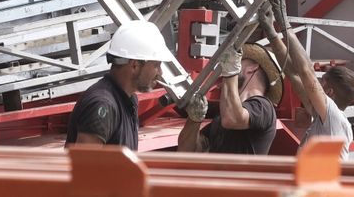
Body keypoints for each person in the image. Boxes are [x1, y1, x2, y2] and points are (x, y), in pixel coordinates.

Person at [258, 0, 354, 151]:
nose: (318, 82)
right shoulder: (322, 116)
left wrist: (283, 21)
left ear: (330, 92)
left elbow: (306, 71)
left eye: (322, 81)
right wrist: (272, 33)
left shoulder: (334, 117)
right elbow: (294, 75)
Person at [66, 19, 175, 149]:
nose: (160, 72)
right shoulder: (103, 105)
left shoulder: (129, 99)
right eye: (156, 65)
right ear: (134, 65)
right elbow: (82, 166)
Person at [177, 44, 280, 154]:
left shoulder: (264, 107)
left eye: (239, 61)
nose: (224, 67)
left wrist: (231, 72)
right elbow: (186, 152)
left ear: (252, 68)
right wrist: (194, 119)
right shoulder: (221, 119)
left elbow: (232, 119)